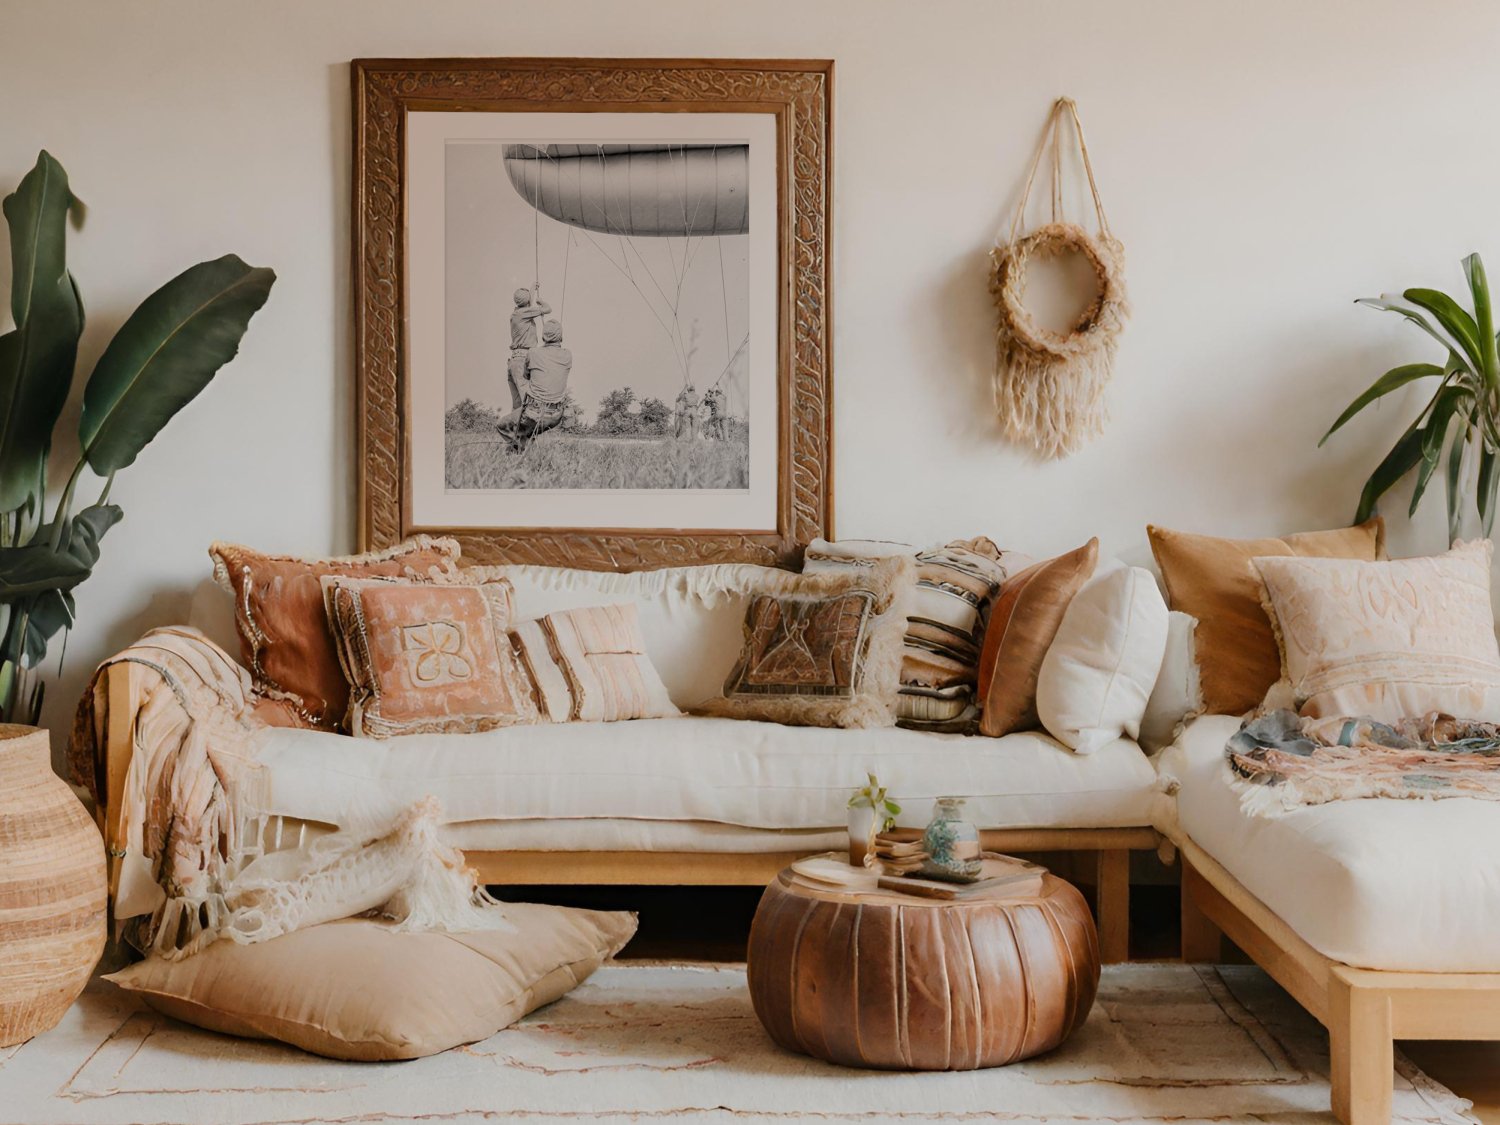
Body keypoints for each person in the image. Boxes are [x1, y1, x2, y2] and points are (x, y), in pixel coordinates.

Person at [497, 319, 573, 450]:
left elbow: (526, 375)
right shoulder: (568, 355)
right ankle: (524, 449)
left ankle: (519, 450)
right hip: (556, 416)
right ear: (561, 336)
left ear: (543, 336)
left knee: (501, 425)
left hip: (533, 414)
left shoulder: (533, 352)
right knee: (527, 432)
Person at [507, 287, 551, 410]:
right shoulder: (525, 313)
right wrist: (541, 302)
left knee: (518, 407)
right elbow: (548, 309)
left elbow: (527, 305)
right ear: (527, 302)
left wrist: (532, 289)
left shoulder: (516, 313)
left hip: (515, 361)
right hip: (523, 360)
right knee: (529, 404)